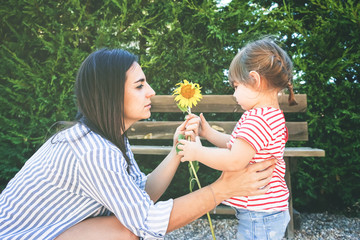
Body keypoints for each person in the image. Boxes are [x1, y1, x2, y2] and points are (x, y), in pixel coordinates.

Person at [0, 48, 276, 240]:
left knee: (123, 231)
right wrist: (223, 189)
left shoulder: (109, 139)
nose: (152, 92)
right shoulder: (93, 151)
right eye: (140, 85)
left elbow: (139, 197)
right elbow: (146, 222)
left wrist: (176, 153)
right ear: (110, 95)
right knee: (126, 234)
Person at [178, 38, 296, 240]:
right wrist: (208, 133)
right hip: (267, 211)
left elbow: (235, 160)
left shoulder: (258, 119)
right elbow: (237, 146)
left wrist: (197, 152)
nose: (234, 94)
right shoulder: (270, 115)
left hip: (260, 216)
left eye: (236, 86)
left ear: (255, 79)